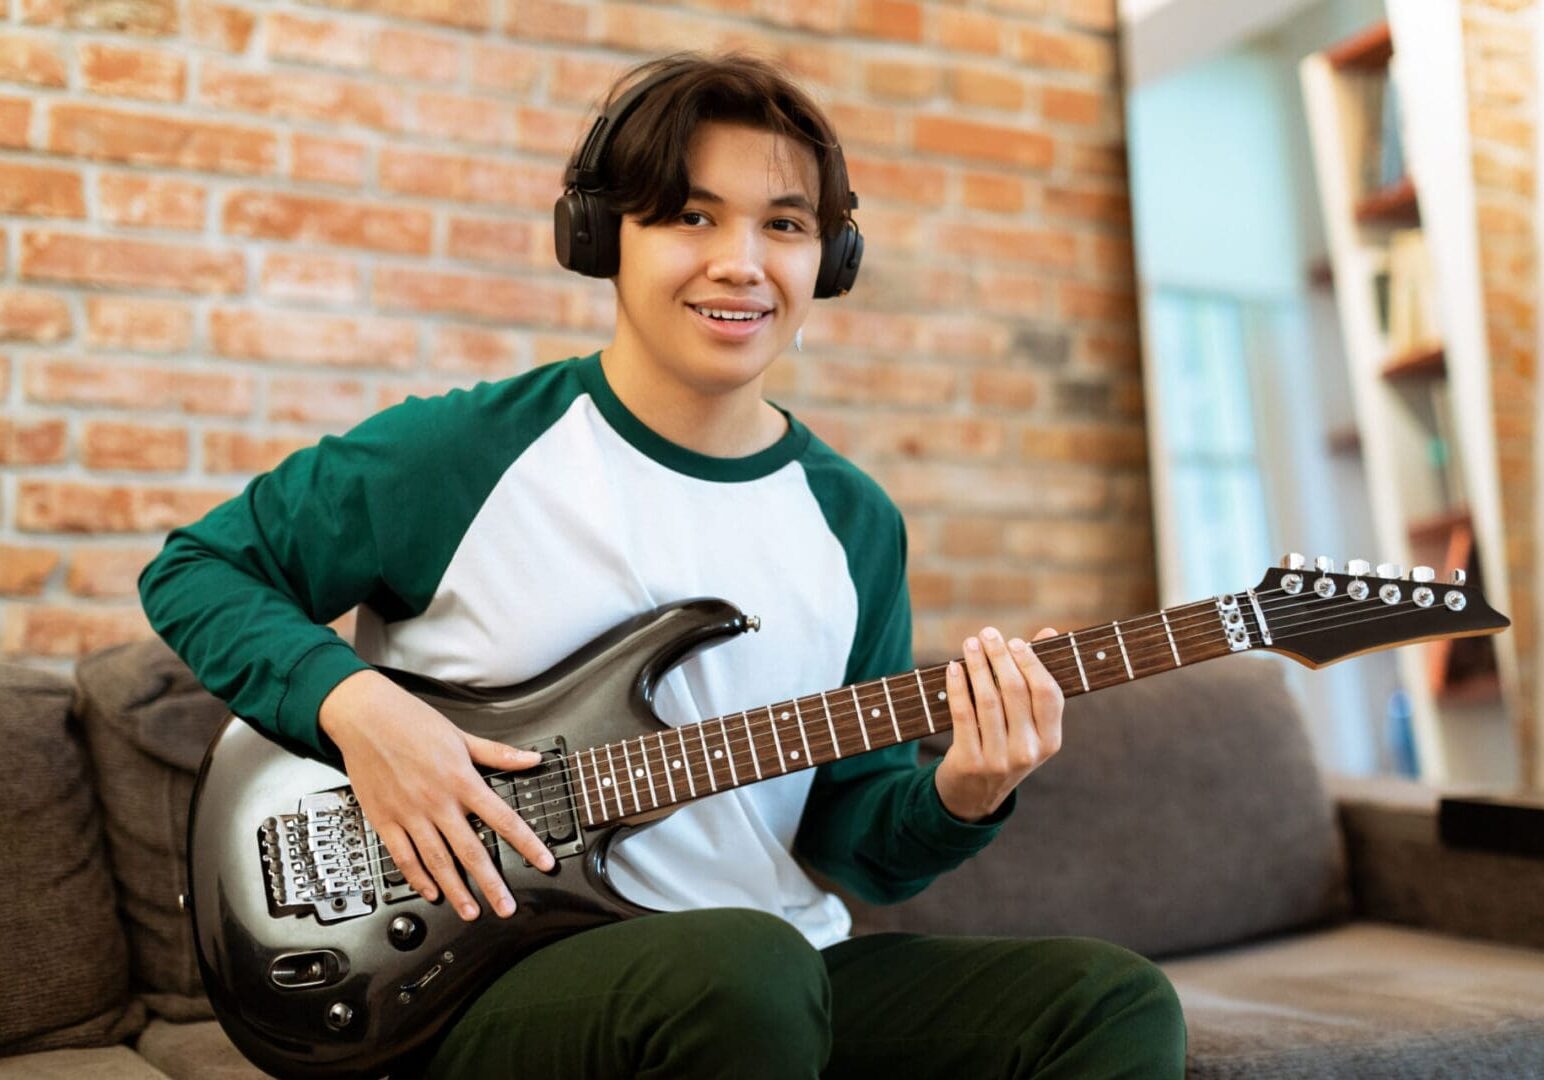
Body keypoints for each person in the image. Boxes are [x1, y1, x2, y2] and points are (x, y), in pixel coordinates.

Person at [140, 51, 1185, 1079]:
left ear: (830, 258)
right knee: (743, 969)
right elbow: (197, 570)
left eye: (783, 224)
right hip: (486, 983)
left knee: (1107, 999)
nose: (741, 262)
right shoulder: (464, 453)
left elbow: (852, 839)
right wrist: (362, 713)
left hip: (775, 970)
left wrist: (963, 791)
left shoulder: (852, 520)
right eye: (691, 216)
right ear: (601, 238)